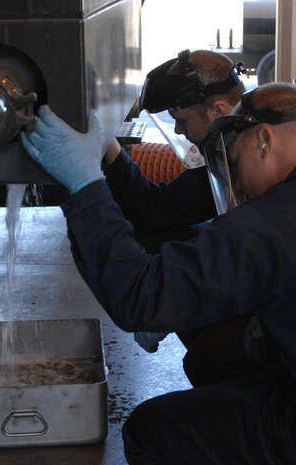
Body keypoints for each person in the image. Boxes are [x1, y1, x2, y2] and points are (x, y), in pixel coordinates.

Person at [20, 82, 296, 464]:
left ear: (264, 141)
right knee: (214, 356)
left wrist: (86, 187)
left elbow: (140, 298)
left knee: (150, 430)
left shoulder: (275, 220)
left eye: (234, 163)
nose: (240, 184)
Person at [102, 49, 257, 387]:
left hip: (282, 314)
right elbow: (159, 211)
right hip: (253, 277)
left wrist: (178, 296)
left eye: (183, 120)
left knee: (209, 359)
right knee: (162, 236)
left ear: (218, 110)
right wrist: (109, 149)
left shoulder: (259, 162)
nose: (179, 130)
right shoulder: (225, 154)